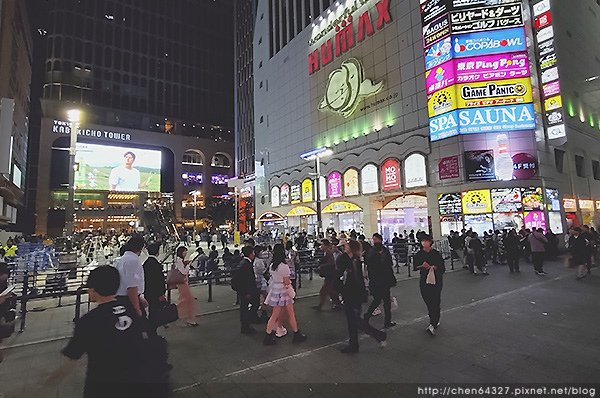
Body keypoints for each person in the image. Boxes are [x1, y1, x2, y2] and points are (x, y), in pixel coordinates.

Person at [46, 266, 170, 398]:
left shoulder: (89, 320)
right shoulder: (130, 309)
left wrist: (51, 381)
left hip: (103, 386)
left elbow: (72, 358)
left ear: (93, 289)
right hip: (137, 381)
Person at [339, 240, 387, 353]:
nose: (344, 247)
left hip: (353, 295)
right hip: (353, 295)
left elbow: (356, 281)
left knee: (355, 321)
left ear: (351, 248)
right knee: (354, 321)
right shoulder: (352, 260)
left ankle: (378, 335)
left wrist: (347, 292)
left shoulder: (355, 262)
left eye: (346, 245)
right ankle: (356, 344)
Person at [263, 243, 307, 345]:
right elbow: (287, 282)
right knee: (291, 314)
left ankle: (268, 336)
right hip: (284, 292)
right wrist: (292, 291)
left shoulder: (272, 266)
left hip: (275, 290)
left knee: (274, 315)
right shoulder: (284, 267)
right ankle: (296, 334)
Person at [413, 235, 445, 336]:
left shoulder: (436, 254)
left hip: (436, 280)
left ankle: (433, 322)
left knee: (435, 301)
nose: (424, 243)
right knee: (428, 300)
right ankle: (434, 319)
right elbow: (415, 266)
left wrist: (434, 267)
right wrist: (422, 266)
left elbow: (442, 268)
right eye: (423, 241)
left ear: (430, 242)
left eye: (426, 241)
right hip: (424, 281)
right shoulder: (419, 254)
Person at [364, 233, 397, 328]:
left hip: (384, 280)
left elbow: (389, 265)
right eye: (374, 240)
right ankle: (368, 316)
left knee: (385, 301)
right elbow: (369, 264)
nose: (375, 241)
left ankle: (387, 321)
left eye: (376, 239)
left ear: (380, 240)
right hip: (376, 280)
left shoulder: (385, 251)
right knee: (378, 300)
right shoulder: (371, 252)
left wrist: (391, 279)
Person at [114, 235, 148, 318]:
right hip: (129, 300)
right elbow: (132, 287)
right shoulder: (133, 261)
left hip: (122, 298)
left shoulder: (122, 259)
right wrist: (137, 308)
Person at [236, 246, 261, 334]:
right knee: (249, 306)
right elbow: (247, 279)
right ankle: (246, 325)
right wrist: (248, 291)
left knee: (245, 307)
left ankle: (247, 324)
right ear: (250, 254)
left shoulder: (243, 263)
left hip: (245, 290)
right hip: (247, 291)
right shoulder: (246, 264)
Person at [142, 243, 167, 330]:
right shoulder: (156, 264)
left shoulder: (146, 263)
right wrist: (161, 293)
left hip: (148, 291)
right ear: (157, 252)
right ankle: (153, 332)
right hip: (156, 293)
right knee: (155, 312)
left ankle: (152, 331)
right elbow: (159, 281)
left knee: (152, 311)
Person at [312, 239, 342, 311]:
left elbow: (331, 263)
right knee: (330, 291)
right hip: (330, 275)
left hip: (331, 275)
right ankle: (337, 304)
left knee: (325, 291)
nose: (320, 246)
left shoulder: (329, 252)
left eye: (322, 245)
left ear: (326, 245)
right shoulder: (327, 252)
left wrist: (321, 266)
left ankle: (322, 306)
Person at [173, 246, 198, 326]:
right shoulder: (179, 261)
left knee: (185, 300)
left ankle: (186, 317)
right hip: (182, 283)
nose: (186, 253)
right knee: (189, 300)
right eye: (184, 251)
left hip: (183, 283)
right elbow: (183, 272)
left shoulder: (180, 260)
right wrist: (188, 265)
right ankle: (188, 318)